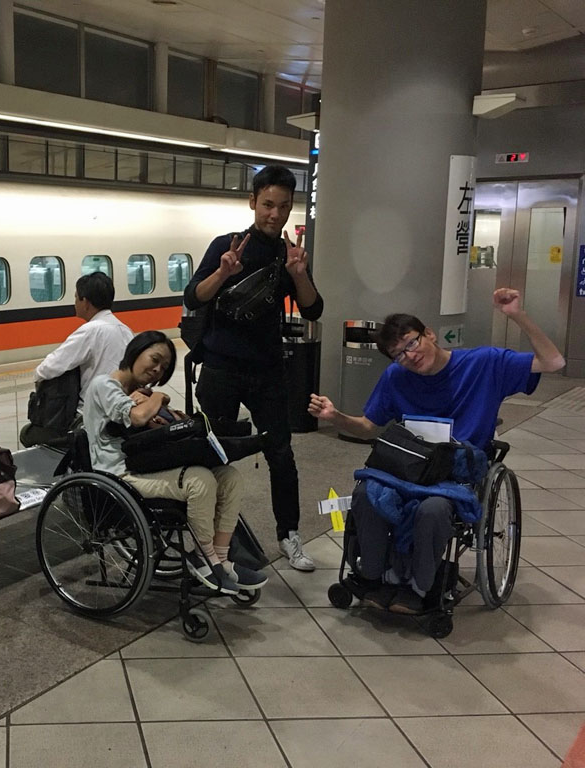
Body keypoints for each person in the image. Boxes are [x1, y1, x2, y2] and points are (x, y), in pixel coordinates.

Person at [307, 287, 565, 613]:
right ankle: (374, 573)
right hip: (409, 464)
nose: (410, 356)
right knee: (366, 494)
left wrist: (517, 315)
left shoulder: (483, 363)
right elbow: (369, 426)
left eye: (412, 343)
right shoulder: (396, 377)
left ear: (429, 333)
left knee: (433, 508)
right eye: (399, 354)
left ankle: (420, 584)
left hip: (457, 470)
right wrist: (335, 417)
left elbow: (553, 362)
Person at [183, 163, 324, 571]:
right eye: (267, 205)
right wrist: (223, 272)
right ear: (252, 202)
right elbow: (193, 297)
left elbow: (313, 308)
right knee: (212, 455)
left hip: (267, 371)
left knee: (281, 454)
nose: (275, 214)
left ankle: (289, 534)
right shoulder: (226, 245)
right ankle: (206, 542)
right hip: (220, 369)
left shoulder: (288, 255)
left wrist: (299, 274)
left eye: (283, 206)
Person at [82, 330, 268, 595]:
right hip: (119, 475)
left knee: (229, 477)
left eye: (164, 367)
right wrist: (159, 398)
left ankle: (222, 558)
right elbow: (137, 417)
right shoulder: (104, 385)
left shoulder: (139, 393)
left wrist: (161, 408)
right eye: (154, 359)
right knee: (200, 480)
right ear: (135, 352)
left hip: (147, 465)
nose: (157, 370)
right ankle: (205, 558)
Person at [21, 273, 134, 448]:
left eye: (76, 297)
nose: (74, 303)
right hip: (120, 410)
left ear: (85, 302)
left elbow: (46, 369)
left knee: (27, 434)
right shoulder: (126, 330)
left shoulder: (90, 330)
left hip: (89, 416)